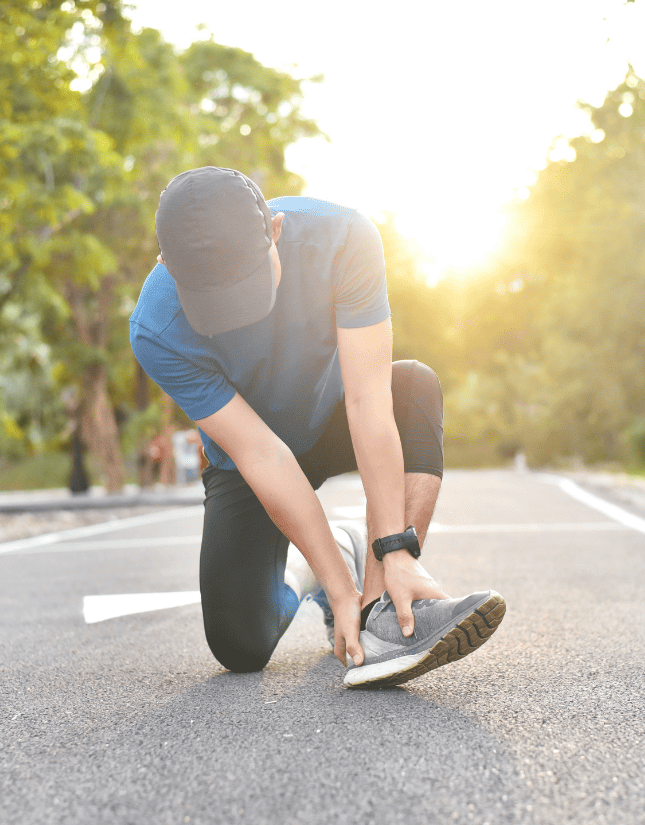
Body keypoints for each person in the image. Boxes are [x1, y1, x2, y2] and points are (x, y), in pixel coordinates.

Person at [129, 166, 504, 687]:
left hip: (334, 417)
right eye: (217, 300)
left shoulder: (343, 237)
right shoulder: (155, 330)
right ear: (167, 265)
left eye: (250, 285)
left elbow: (369, 401)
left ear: (276, 230)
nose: (240, 315)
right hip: (249, 457)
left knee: (412, 389)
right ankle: (332, 565)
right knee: (240, 646)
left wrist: (395, 548)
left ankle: (381, 618)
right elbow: (262, 454)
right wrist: (335, 584)